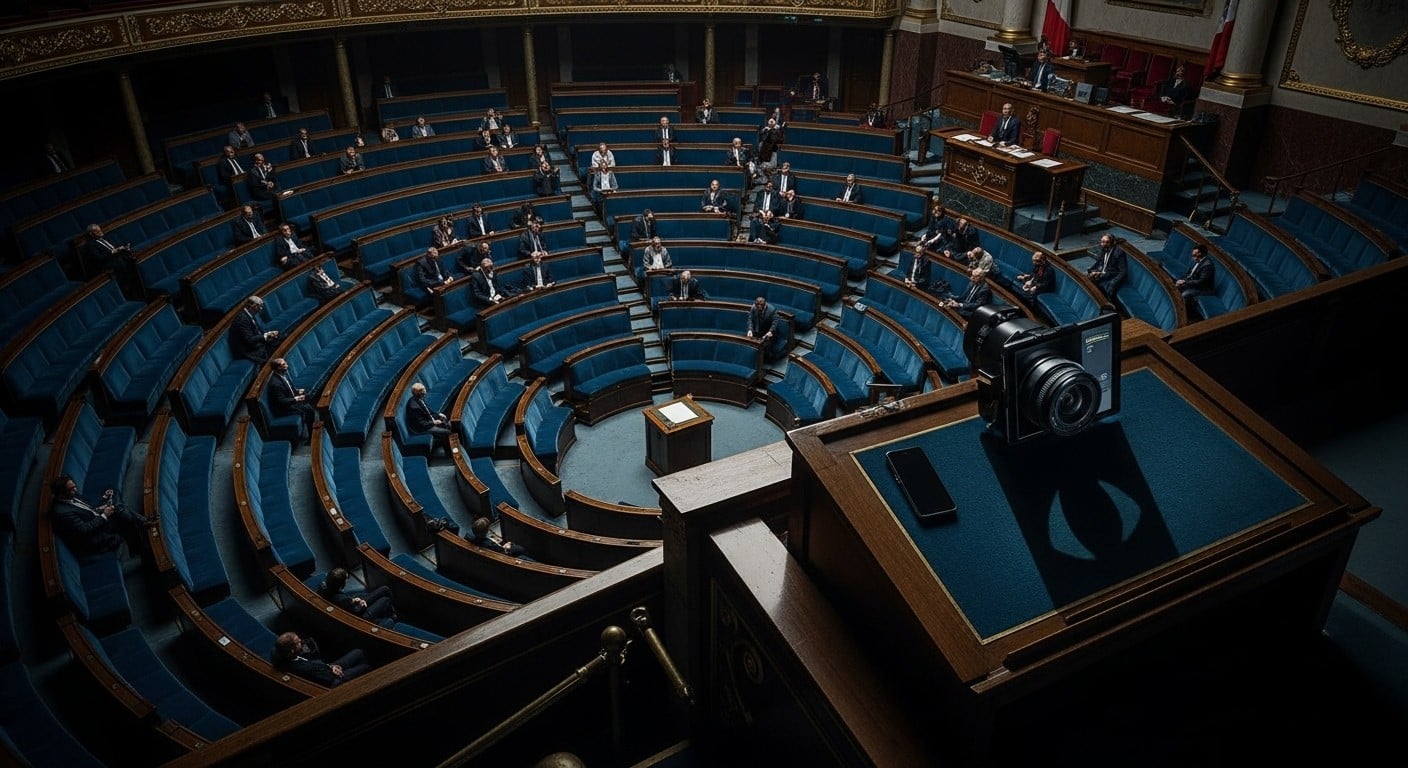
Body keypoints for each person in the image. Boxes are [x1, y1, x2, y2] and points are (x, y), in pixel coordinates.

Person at [48, 474, 152, 560]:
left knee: (116, 500)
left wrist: (103, 502)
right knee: (123, 515)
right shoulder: (62, 512)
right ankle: (143, 526)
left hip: (95, 519)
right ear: (61, 494)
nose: (75, 490)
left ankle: (139, 544)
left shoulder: (70, 495)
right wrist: (104, 515)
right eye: (71, 489)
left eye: (74, 486)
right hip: (92, 538)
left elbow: (88, 510)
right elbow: (84, 530)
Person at [272, 632, 371, 688]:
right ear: (292, 651)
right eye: (298, 642)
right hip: (333, 679)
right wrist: (333, 669)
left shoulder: (280, 653)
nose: (301, 641)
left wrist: (331, 666)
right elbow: (327, 679)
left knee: (358, 652)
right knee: (366, 667)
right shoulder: (303, 668)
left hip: (325, 667)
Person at [317, 567, 397, 628]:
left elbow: (345, 603)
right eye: (346, 580)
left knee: (384, 589)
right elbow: (357, 611)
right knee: (385, 599)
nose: (347, 581)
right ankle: (392, 616)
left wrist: (353, 601)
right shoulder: (343, 599)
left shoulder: (323, 587)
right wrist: (362, 605)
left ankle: (391, 610)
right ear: (341, 585)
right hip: (360, 617)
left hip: (349, 606)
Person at [267, 356, 315, 441]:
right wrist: (296, 398)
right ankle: (311, 437)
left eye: (285, 363)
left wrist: (298, 391)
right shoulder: (275, 384)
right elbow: (281, 401)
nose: (287, 365)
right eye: (284, 364)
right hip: (284, 408)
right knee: (309, 409)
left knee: (309, 395)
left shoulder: (283, 375)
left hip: (291, 400)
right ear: (278, 368)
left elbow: (290, 388)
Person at [405, 381, 452, 458]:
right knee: (447, 432)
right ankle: (449, 455)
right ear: (418, 393)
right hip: (421, 428)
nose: (425, 392)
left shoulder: (419, 399)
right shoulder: (414, 407)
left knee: (445, 421)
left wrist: (438, 415)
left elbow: (428, 411)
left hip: (427, 421)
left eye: (424, 390)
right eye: (423, 391)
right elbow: (421, 423)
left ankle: (442, 443)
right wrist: (434, 423)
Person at [231, 295, 278, 363]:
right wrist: (265, 336)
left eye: (261, 306)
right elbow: (249, 339)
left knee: (277, 339)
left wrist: (268, 334)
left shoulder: (249, 314)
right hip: (247, 352)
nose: (261, 309)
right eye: (259, 306)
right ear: (251, 305)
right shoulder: (242, 319)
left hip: (253, 345)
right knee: (270, 359)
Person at [1087, 234, 1128, 299]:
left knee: (1106, 290)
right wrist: (1096, 272)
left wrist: (1113, 282)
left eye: (1107, 242)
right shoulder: (1104, 249)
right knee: (1088, 280)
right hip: (1104, 274)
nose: (1104, 244)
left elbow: (1123, 271)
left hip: (1112, 276)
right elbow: (1101, 263)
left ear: (1112, 243)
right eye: (1102, 242)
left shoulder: (1118, 253)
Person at [1175, 244, 1215, 309]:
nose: (1194, 258)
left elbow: (1201, 282)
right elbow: (1189, 274)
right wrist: (1182, 280)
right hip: (1195, 285)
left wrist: (1185, 282)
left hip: (1204, 289)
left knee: (1185, 294)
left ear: (1202, 254)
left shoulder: (1207, 265)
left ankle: (1186, 311)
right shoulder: (1197, 261)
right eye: (1193, 255)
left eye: (1196, 255)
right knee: (1175, 286)